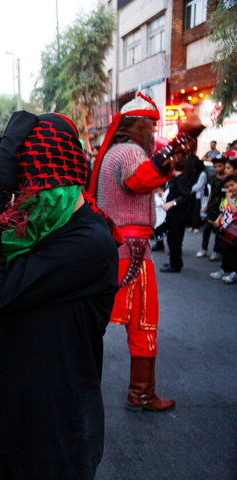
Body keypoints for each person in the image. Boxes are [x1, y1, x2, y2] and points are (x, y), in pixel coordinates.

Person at [0, 111, 119, 480]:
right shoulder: (32, 231)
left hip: (51, 430)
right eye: (20, 189)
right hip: (6, 412)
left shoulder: (87, 243)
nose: (25, 200)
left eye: (34, 188)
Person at [88, 93, 204, 411]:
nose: (154, 132)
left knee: (92, 321)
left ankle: (89, 390)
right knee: (143, 322)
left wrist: (184, 142)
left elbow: (158, 170)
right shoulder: (128, 151)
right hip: (132, 249)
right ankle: (141, 394)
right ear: (138, 125)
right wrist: (183, 135)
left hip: (116, 247)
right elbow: (142, 179)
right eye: (151, 126)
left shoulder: (116, 151)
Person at [159, 161, 194, 273]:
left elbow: (186, 196)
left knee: (175, 240)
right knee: (173, 239)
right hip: (174, 214)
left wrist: (172, 203)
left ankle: (175, 264)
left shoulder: (182, 179)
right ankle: (175, 262)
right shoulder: (178, 179)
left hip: (178, 215)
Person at [209, 174, 237, 284]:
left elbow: (234, 210)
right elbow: (223, 211)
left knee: (234, 253)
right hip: (226, 229)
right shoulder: (226, 200)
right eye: (228, 187)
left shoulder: (230, 199)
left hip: (235, 231)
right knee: (225, 251)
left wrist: (229, 199)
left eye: (232, 185)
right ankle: (224, 269)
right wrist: (218, 220)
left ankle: (233, 272)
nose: (230, 189)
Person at [200, 156, 228, 259]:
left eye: (219, 166)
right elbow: (211, 192)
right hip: (213, 206)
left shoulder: (229, 180)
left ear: (225, 166)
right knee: (207, 228)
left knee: (219, 231)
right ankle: (204, 249)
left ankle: (216, 251)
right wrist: (207, 205)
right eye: (215, 166)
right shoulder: (213, 177)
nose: (217, 169)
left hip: (224, 208)